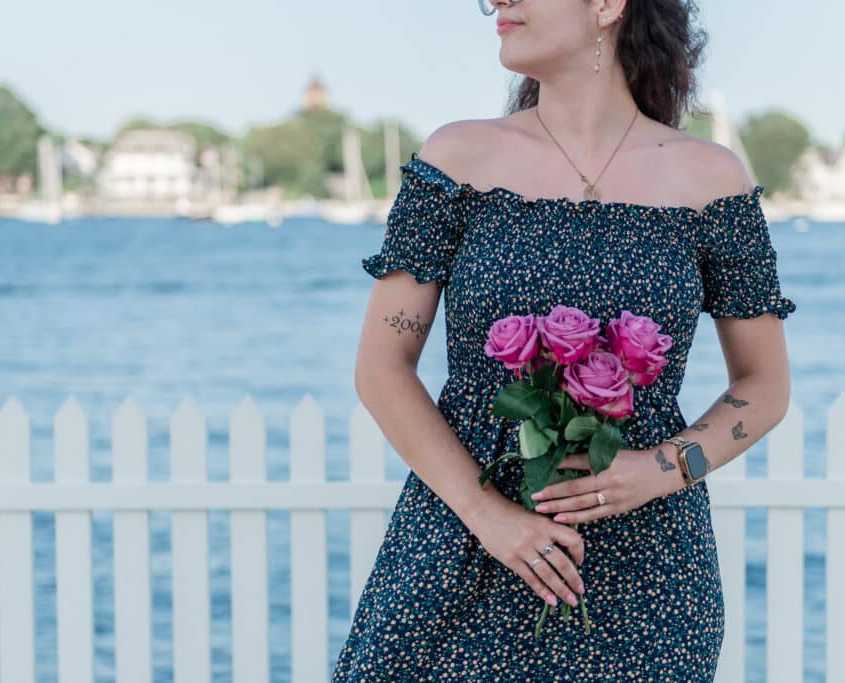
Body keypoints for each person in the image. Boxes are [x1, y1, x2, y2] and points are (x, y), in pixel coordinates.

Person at [334, 0, 797, 680]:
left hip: (646, 570)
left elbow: (766, 386)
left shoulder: (711, 182)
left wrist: (662, 468)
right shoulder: (456, 159)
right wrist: (488, 516)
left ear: (608, 5)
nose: (498, 2)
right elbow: (382, 367)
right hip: (464, 543)